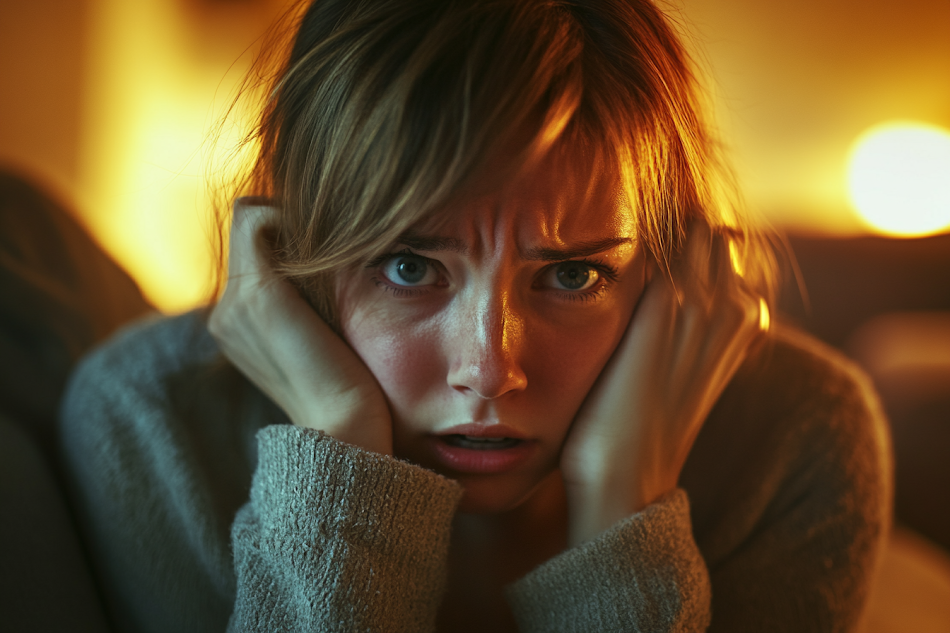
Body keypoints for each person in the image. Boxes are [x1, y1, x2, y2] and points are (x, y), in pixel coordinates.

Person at [58, 0, 892, 631]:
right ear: (290, 255)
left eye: (572, 274)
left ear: (675, 270)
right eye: (409, 266)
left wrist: (621, 498)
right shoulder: (148, 426)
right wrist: (337, 451)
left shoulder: (797, 440)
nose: (490, 368)